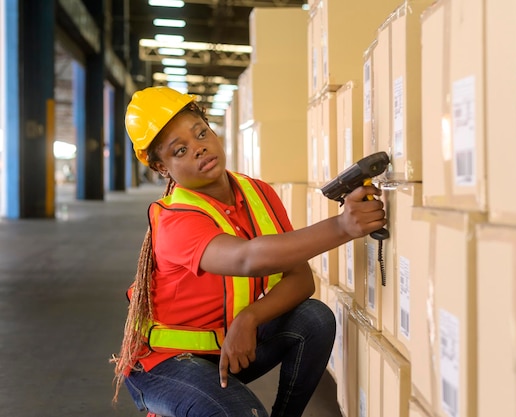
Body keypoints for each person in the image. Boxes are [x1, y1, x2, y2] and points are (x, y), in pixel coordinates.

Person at [111, 86, 387, 417]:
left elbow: (302, 280)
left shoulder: (258, 193)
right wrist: (342, 227)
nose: (199, 148)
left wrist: (250, 317)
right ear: (160, 167)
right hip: (165, 362)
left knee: (314, 317)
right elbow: (247, 258)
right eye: (181, 150)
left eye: (201, 133)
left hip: (227, 347)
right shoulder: (173, 219)